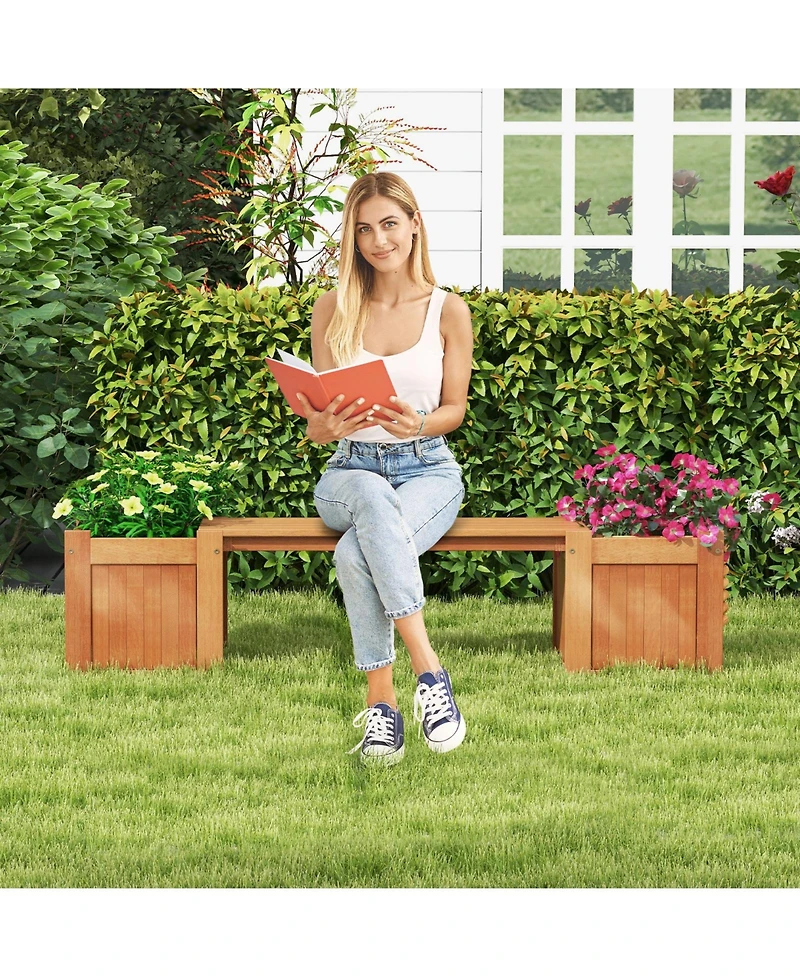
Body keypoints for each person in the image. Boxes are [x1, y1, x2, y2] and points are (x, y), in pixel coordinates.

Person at [295, 171, 474, 766]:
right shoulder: (332, 308)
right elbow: (319, 414)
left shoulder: (448, 311)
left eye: (390, 224)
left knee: (355, 553)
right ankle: (431, 671)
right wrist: (321, 427)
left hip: (427, 469)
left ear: (414, 225)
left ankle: (383, 705)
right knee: (370, 498)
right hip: (350, 470)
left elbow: (454, 410)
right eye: (364, 229)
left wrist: (417, 425)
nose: (378, 240)